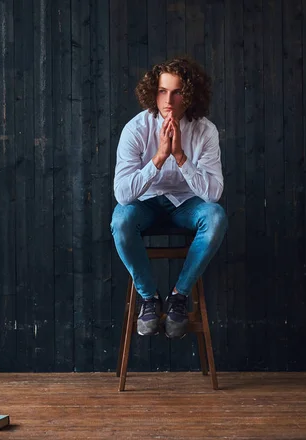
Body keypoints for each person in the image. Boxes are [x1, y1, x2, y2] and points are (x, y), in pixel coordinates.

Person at [110, 56, 228, 339]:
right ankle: (149, 298)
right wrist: (160, 158)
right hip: (146, 204)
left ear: (189, 95)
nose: (169, 100)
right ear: (153, 92)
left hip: (186, 204)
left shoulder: (205, 131)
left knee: (216, 217)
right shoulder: (136, 129)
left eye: (177, 92)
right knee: (121, 220)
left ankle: (179, 296)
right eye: (162, 91)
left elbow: (213, 194)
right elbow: (123, 194)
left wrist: (180, 157)